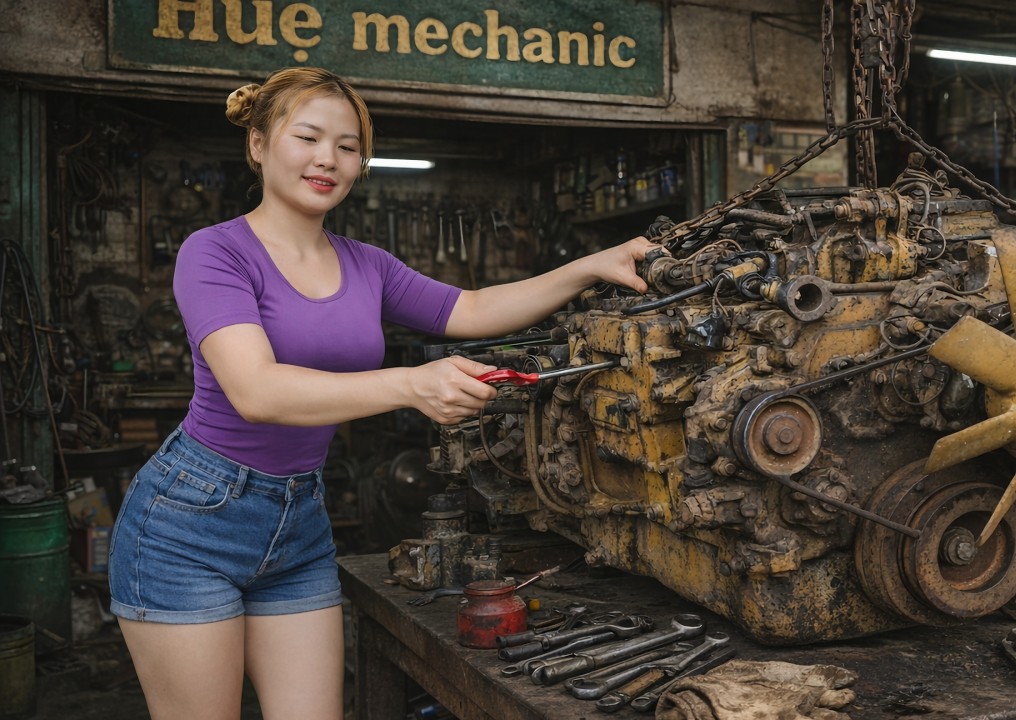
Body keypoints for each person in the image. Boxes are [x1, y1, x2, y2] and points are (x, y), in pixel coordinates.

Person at [107, 66, 656, 720]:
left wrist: (591, 266)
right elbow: (255, 390)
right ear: (257, 143)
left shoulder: (366, 264)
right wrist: (411, 384)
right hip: (192, 519)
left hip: (298, 522)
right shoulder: (215, 253)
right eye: (307, 137)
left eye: (347, 146)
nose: (327, 159)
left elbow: (472, 308)